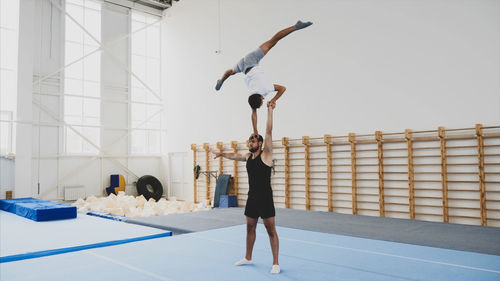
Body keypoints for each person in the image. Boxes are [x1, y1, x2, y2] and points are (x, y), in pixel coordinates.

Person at [213, 102, 280, 274]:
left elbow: (269, 131)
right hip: (252, 198)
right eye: (250, 139)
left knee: (270, 230)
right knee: (250, 227)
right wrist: (222, 154)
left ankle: (275, 263)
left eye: (253, 139)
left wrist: (270, 111)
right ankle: (248, 257)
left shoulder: (266, 154)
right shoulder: (248, 156)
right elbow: (234, 156)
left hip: (265, 198)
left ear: (260, 143)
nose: (250, 141)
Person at [215, 20, 312, 135]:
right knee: (231, 71)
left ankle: (296, 27)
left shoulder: (265, 89)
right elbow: (253, 113)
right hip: (242, 67)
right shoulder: (252, 95)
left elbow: (283, 88)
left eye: (262, 102)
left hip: (252, 60)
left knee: (273, 41)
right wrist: (255, 131)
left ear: (261, 99)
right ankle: (221, 80)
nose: (263, 102)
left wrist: (273, 100)